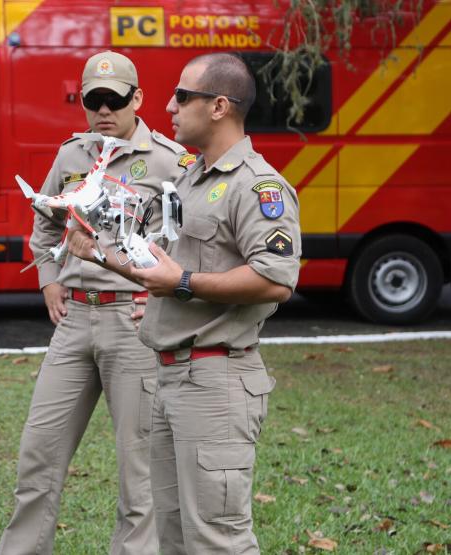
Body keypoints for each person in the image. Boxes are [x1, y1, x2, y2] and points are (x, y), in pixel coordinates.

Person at [67, 53, 300, 553]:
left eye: (182, 96)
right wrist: (98, 253)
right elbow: (162, 273)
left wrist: (186, 282)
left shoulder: (257, 185)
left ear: (219, 106)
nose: (169, 106)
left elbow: (275, 279)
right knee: (172, 537)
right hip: (171, 376)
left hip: (216, 382)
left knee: (218, 538)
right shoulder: (191, 180)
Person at [0, 51, 189, 555]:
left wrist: (161, 300)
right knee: (38, 455)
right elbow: (46, 220)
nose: (104, 110)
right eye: (93, 100)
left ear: (137, 99)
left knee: (139, 473)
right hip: (76, 318)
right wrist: (48, 279)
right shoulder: (72, 155)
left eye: (115, 99)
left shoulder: (169, 161)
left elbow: (188, 243)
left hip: (133, 322)